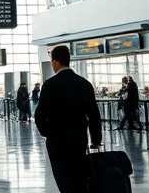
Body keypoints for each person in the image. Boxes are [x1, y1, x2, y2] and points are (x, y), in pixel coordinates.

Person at [34, 46, 102, 193]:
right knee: (80, 177)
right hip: (79, 139)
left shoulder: (50, 85)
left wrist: (47, 132)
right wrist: (96, 140)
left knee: (64, 177)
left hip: (57, 141)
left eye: (52, 62)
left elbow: (40, 115)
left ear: (56, 62)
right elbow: (94, 114)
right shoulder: (84, 84)